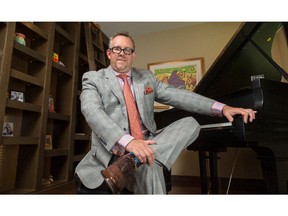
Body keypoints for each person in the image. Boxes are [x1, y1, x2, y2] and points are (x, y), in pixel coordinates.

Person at [74, 31, 257, 194]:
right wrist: (129, 142)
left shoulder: (146, 78)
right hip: (112, 153)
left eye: (127, 50)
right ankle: (134, 158)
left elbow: (181, 96)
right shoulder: (93, 78)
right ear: (109, 53)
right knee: (150, 166)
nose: (122, 53)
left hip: (148, 144)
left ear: (133, 55)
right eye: (117, 49)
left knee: (191, 123)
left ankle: (132, 161)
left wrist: (223, 107)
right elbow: (92, 112)